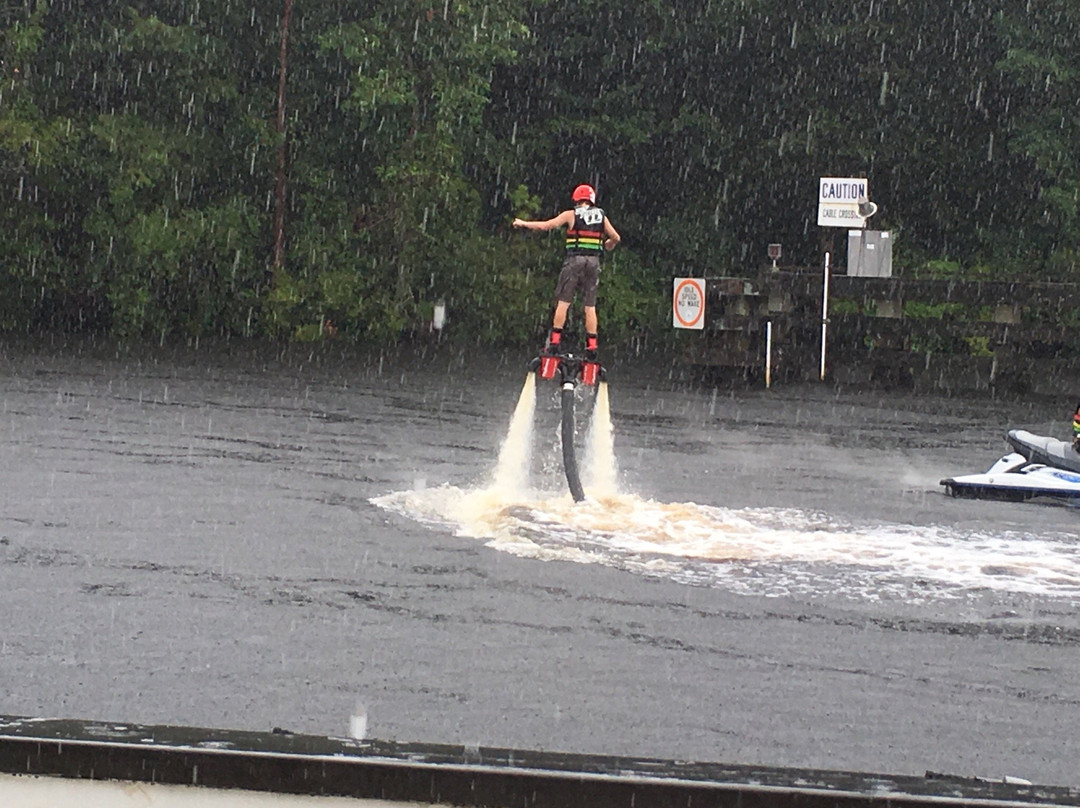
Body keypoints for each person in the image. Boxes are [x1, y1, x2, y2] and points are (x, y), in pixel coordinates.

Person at [513, 184, 620, 360]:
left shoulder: (571, 214)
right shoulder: (601, 216)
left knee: (564, 302)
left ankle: (554, 344)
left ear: (576, 199)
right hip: (593, 262)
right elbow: (616, 237)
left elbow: (546, 226)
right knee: (590, 306)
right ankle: (592, 347)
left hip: (574, 261)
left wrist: (523, 223)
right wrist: (609, 244)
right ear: (592, 199)